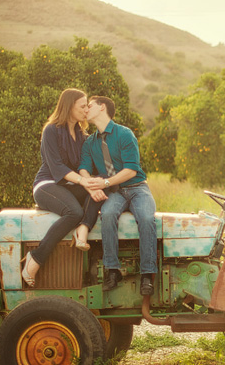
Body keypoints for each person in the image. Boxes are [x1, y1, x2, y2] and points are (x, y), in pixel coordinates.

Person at [22, 89, 105, 287]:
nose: (86, 110)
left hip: (68, 186)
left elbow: (89, 165)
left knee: (101, 191)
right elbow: (56, 167)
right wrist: (84, 182)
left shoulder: (82, 135)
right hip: (47, 185)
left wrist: (97, 181)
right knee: (73, 212)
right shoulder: (51, 130)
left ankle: (83, 230)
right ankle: (35, 259)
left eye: (87, 106)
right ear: (69, 107)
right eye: (82, 106)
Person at [79, 96, 157, 296]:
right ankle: (112, 271)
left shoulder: (124, 134)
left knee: (147, 218)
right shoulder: (90, 142)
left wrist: (104, 182)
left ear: (102, 107)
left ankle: (148, 274)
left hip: (137, 187)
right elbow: (84, 169)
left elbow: (131, 170)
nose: (86, 109)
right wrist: (90, 184)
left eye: (90, 105)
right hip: (115, 192)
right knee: (107, 214)